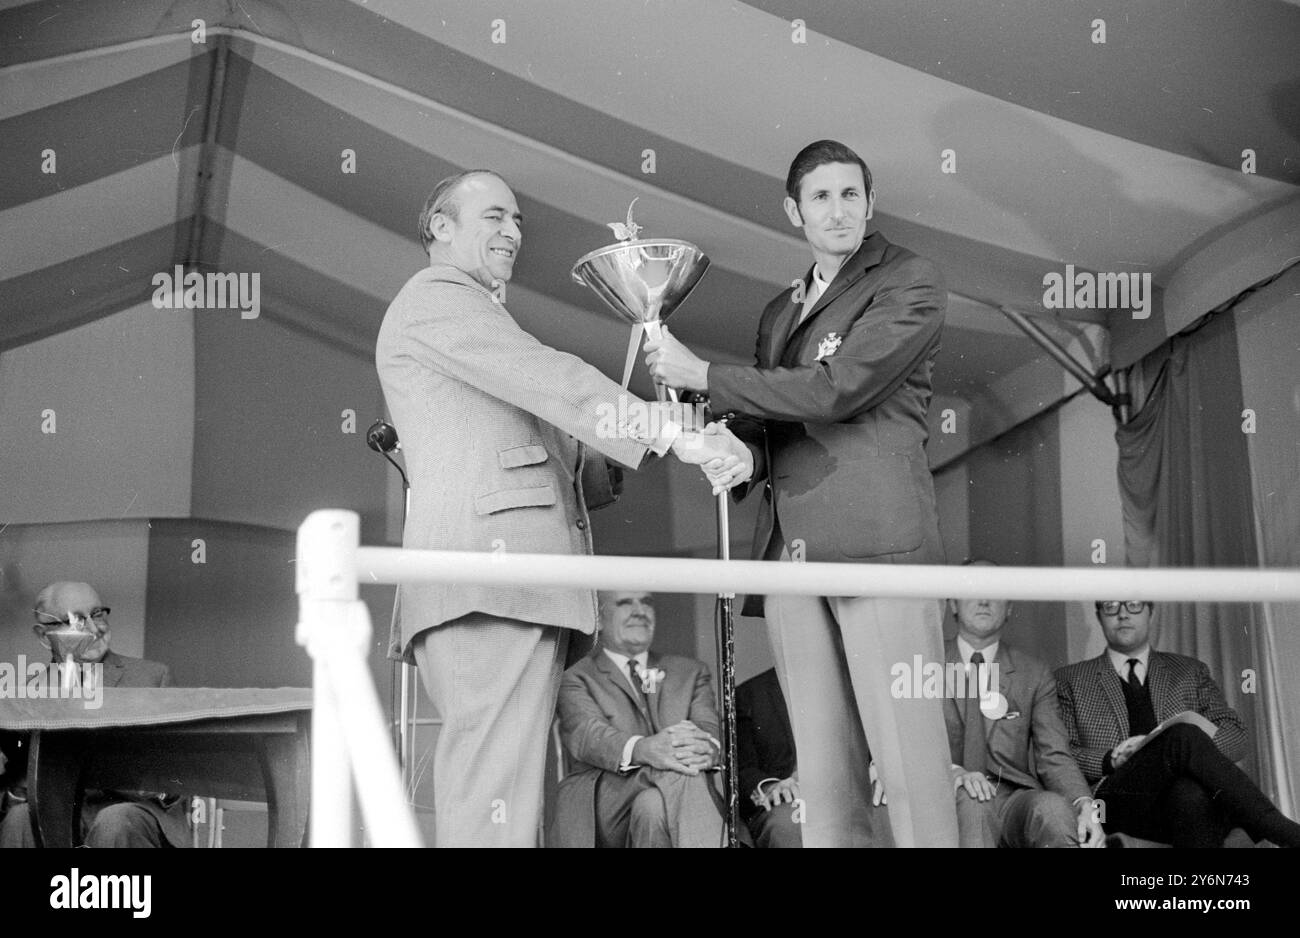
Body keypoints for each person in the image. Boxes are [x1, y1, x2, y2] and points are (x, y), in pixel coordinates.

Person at [375, 170, 748, 847]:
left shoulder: (475, 314)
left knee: (507, 795)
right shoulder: (436, 297)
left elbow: (558, 450)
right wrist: (670, 432)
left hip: (509, 587)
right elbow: (550, 377)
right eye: (493, 217)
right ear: (439, 226)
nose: (513, 233)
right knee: (494, 794)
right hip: (490, 585)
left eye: (517, 220)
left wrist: (658, 425)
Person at [644, 139, 956, 847]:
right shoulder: (779, 312)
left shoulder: (910, 277)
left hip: (880, 546)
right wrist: (733, 452)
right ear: (794, 211)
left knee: (910, 769)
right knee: (822, 779)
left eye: (851, 194)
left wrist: (702, 375)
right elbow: (769, 425)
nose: (838, 210)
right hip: (790, 555)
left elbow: (840, 389)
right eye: (821, 197)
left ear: (871, 203)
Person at [1055, 600, 1300, 847]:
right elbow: (1061, 754)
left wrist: (1188, 750)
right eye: (1111, 606)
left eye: (1133, 605)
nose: (1122, 614)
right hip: (1117, 803)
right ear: (1099, 616)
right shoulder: (1070, 679)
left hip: (1183, 801)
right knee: (1181, 736)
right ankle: (1282, 830)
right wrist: (1111, 759)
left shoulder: (1189, 671)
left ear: (1151, 612)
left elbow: (1236, 735)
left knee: (1189, 790)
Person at [0, 581, 186, 848]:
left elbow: (179, 776)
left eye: (97, 614)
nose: (94, 628)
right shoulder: (26, 692)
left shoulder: (152, 677)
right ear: (44, 636)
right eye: (76, 620)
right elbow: (13, 779)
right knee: (20, 818)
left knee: (114, 820)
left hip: (131, 812)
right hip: (57, 811)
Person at [941, 567, 1103, 847]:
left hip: (1011, 799)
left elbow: (1054, 754)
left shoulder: (1033, 672)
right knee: (974, 802)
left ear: (1009, 608)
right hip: (944, 792)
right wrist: (954, 772)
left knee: (1052, 809)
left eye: (994, 592)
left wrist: (1085, 804)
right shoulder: (926, 664)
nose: (983, 600)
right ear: (952, 603)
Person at [548, 591, 723, 847]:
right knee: (684, 771)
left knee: (651, 806)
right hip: (609, 796)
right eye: (625, 602)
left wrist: (707, 747)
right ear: (599, 618)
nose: (640, 610)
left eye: (647, 602)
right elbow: (587, 735)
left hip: (668, 798)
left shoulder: (690, 671)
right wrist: (646, 749)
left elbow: (708, 728)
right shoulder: (575, 674)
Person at [736, 667, 801, 848]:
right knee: (786, 824)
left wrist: (877, 765)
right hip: (788, 800)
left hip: (854, 792)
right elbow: (741, 769)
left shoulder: (856, 681)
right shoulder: (750, 693)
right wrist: (769, 786)